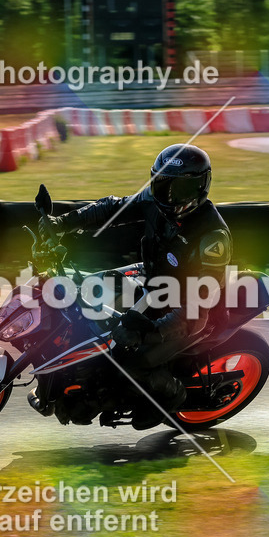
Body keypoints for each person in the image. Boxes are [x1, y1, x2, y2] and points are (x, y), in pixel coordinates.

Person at [39, 143, 232, 428]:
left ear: (200, 188)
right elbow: (113, 208)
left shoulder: (213, 237)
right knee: (87, 295)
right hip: (152, 280)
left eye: (178, 189)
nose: (168, 196)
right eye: (162, 184)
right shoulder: (155, 200)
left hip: (189, 310)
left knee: (130, 356)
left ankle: (170, 398)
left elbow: (197, 307)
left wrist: (151, 330)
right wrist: (63, 222)